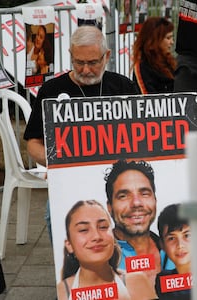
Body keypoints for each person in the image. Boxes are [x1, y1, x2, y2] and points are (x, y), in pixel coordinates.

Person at [24, 25, 139, 242]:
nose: (85, 70)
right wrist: (55, 162)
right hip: (72, 178)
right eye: (79, 62)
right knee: (54, 216)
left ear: (107, 56)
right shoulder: (51, 91)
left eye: (93, 63)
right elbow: (33, 144)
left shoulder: (123, 86)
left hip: (119, 177)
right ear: (70, 55)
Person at [57, 199, 157, 300]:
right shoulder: (62, 291)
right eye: (83, 229)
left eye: (103, 227)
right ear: (69, 244)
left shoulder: (136, 282)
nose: (96, 236)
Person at [104, 159, 174, 294]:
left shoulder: (177, 250)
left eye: (144, 193)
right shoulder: (94, 259)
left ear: (155, 200)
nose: (136, 203)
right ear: (110, 207)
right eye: (123, 195)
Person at [155, 203, 191, 300]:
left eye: (187, 236)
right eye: (171, 238)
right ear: (162, 245)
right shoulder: (161, 282)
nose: (180, 245)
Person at [132, 17, 176, 94]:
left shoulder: (170, 61)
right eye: (168, 38)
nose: (172, 42)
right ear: (154, 40)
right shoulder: (142, 66)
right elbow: (148, 97)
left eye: (172, 38)